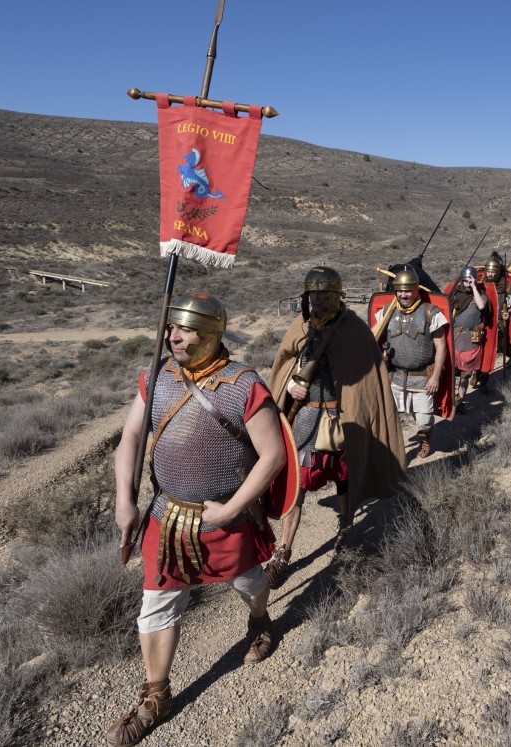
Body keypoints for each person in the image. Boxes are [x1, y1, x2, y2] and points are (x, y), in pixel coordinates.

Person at [108, 293, 287, 747]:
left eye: (185, 329)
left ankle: (260, 621)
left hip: (222, 514)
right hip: (167, 515)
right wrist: (124, 499)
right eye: (173, 328)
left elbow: (273, 455)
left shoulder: (243, 385)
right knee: (157, 604)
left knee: (249, 582)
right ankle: (157, 696)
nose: (174, 336)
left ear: (210, 331)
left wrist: (229, 510)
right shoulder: (158, 375)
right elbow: (130, 435)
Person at [264, 266, 406, 587]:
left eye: (321, 293)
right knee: (296, 486)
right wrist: (289, 389)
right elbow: (285, 367)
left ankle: (346, 526)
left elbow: (368, 380)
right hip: (305, 420)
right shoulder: (300, 325)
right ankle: (283, 552)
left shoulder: (353, 330)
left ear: (334, 295)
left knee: (345, 478)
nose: (315, 298)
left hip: (342, 420)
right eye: (310, 293)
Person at [373, 266, 449, 458]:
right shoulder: (386, 312)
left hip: (422, 377)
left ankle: (424, 439)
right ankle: (393, 449)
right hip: (394, 376)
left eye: (408, 290)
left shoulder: (430, 312)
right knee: (390, 416)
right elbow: (372, 337)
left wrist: (436, 377)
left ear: (416, 289)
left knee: (423, 419)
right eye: (400, 290)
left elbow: (441, 347)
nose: (403, 295)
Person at [448, 264, 491, 411]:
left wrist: (474, 288)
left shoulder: (481, 295)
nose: (467, 284)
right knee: (451, 373)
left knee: (465, 375)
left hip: (471, 341)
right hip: (454, 339)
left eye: (470, 281)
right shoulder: (454, 295)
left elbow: (481, 307)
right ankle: (450, 401)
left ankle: (459, 402)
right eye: (465, 281)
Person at [485, 251, 511, 366]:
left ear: (498, 272)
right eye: (488, 272)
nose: (490, 275)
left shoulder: (506, 287)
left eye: (493, 272)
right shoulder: (481, 284)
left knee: (502, 346)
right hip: (484, 322)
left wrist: (508, 312)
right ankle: (481, 374)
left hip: (500, 322)